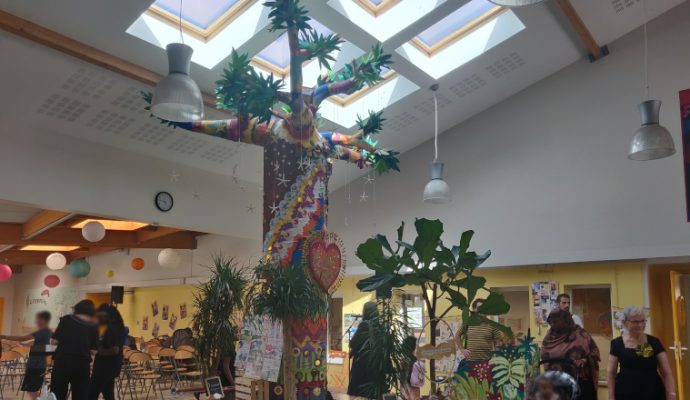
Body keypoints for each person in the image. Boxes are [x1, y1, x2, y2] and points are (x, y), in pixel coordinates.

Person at [607, 306, 676, 400]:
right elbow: (611, 373)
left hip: (653, 394)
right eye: (635, 321)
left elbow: (667, 373)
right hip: (625, 395)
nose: (640, 325)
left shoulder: (653, 342)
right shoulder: (617, 344)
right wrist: (611, 397)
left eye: (643, 321)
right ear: (624, 322)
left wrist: (671, 394)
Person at [541, 309, 600, 400]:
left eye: (556, 322)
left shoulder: (580, 334)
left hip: (580, 383)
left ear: (566, 321)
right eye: (551, 322)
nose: (553, 324)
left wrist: (584, 360)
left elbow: (594, 352)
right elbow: (545, 356)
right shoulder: (549, 337)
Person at [50, 299, 99, 400]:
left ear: (78, 308)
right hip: (82, 364)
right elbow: (94, 351)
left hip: (62, 362)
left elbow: (53, 342)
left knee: (58, 393)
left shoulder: (66, 319)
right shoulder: (93, 325)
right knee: (81, 395)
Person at [0, 311, 52, 400]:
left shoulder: (43, 332)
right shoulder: (48, 332)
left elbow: (24, 338)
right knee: (32, 390)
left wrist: (4, 336)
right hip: (38, 365)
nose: (36, 321)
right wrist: (23, 345)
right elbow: (39, 346)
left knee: (32, 390)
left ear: (43, 320)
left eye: (37, 319)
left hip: (36, 366)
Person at [89, 304, 127, 400]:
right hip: (112, 366)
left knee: (92, 393)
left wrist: (100, 351)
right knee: (108, 393)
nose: (98, 319)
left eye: (100, 316)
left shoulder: (111, 329)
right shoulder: (119, 327)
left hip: (103, 367)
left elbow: (114, 350)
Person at [347, 301, 377, 397]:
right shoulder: (379, 325)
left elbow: (353, 343)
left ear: (366, 312)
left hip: (362, 365)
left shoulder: (364, 325)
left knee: (359, 393)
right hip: (375, 364)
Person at [400, 336, 424, 400]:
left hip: (405, 388)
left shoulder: (403, 360)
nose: (416, 347)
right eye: (415, 345)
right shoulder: (414, 360)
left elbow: (401, 376)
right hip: (411, 389)